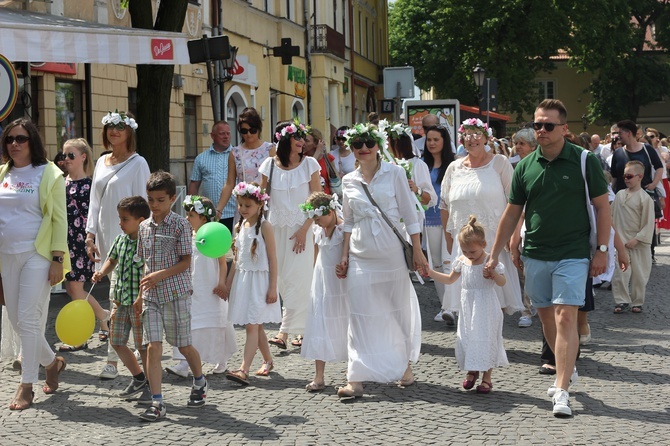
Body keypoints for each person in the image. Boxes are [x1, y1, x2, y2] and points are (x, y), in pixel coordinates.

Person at [486, 99, 611, 417]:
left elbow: (602, 206)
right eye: (537, 124)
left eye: (548, 125)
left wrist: (603, 249)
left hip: (573, 252)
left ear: (564, 129)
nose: (541, 130)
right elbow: (512, 212)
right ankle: (565, 367)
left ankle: (561, 389)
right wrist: (497, 251)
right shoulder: (524, 166)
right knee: (546, 319)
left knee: (566, 316)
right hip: (536, 254)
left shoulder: (583, 160)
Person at [335, 122, 429, 398]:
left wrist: (419, 249)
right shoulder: (348, 180)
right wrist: (344, 256)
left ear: (379, 145)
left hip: (390, 254)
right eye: (357, 144)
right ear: (352, 148)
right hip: (361, 256)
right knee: (359, 314)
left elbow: (410, 215)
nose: (363, 148)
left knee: (394, 310)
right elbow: (348, 221)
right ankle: (356, 377)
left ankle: (404, 366)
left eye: (369, 143)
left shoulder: (395, 173)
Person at [0, 118, 70, 410]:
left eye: (20, 139)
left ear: (33, 142)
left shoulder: (49, 173)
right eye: (9, 139)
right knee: (18, 322)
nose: (14, 144)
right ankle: (52, 363)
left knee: (28, 320)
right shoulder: (2, 172)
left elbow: (58, 219)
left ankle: (26, 385)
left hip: (37, 254)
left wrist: (57, 259)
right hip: (6, 255)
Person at [134, 171, 207, 421]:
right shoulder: (143, 226)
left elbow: (186, 262)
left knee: (183, 345)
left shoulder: (180, 225)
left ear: (173, 199)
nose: (154, 205)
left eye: (160, 200)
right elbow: (143, 264)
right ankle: (157, 403)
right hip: (151, 296)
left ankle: (199, 381)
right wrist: (139, 294)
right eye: (151, 200)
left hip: (176, 293)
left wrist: (160, 275)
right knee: (153, 347)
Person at [86, 110, 150, 380]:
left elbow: (145, 203)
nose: (114, 132)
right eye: (111, 127)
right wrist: (90, 235)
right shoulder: (101, 161)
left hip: (131, 239)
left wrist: (144, 239)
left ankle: (125, 356)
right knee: (115, 297)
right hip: (106, 234)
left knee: (130, 299)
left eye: (120, 127)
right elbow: (94, 200)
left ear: (129, 132)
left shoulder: (138, 163)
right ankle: (118, 355)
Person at [439, 118, 523, 316]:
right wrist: (449, 239)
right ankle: (469, 341)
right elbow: (444, 206)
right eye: (466, 134)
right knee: (465, 298)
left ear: (486, 137)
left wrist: (513, 237)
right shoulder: (454, 168)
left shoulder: (499, 163)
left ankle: (492, 342)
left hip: (494, 241)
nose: (471, 139)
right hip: (464, 243)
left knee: (494, 298)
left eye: (476, 134)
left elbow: (515, 202)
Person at [259, 120, 321, 349]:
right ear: (285, 140)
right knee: (281, 279)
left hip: (300, 230)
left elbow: (318, 199)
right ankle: (298, 329)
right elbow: (261, 199)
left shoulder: (310, 164)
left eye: (303, 138)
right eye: (298, 138)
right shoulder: (269, 165)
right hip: (275, 229)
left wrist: (306, 229)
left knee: (300, 279)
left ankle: (285, 332)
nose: (302, 143)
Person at [428, 216, 507, 394]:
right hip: (468, 306)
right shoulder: (462, 261)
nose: (468, 255)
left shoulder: (489, 261)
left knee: (486, 338)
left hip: (486, 307)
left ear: (483, 245)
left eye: (472, 252)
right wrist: (431, 272)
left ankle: (487, 377)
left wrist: (493, 273)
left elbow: (502, 282)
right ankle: (472, 369)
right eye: (465, 251)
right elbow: (449, 280)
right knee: (469, 337)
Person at [165, 195, 237, 377]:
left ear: (203, 218)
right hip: (192, 286)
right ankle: (183, 363)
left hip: (209, 286)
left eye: (191, 215)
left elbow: (222, 262)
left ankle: (220, 359)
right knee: (188, 322)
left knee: (213, 322)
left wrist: (221, 282)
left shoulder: (213, 236)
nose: (187, 218)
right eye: (187, 215)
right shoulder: (187, 236)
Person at [91, 196, 150, 402]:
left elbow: (147, 272)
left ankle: (151, 383)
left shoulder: (146, 243)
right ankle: (139, 377)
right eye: (120, 218)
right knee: (116, 342)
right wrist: (101, 272)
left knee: (143, 346)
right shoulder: (120, 240)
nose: (120, 223)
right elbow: (111, 260)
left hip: (138, 304)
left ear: (140, 221)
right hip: (120, 301)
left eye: (125, 219)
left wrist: (142, 298)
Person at [224, 182, 281, 385]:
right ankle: (268, 360)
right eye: (240, 205)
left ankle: (243, 369)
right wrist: (228, 285)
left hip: (259, 282)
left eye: (247, 205)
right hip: (243, 281)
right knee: (255, 325)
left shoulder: (265, 226)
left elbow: (273, 259)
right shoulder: (240, 226)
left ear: (259, 205)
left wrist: (273, 287)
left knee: (252, 326)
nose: (243, 209)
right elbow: (237, 261)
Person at [58, 138, 110, 352]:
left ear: (83, 157)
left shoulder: (90, 185)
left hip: (82, 243)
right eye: (64, 155)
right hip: (65, 242)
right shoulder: (61, 182)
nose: (66, 159)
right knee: (72, 289)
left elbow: (97, 215)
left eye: (71, 155)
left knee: (74, 287)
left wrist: (94, 239)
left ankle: (82, 333)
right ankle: (103, 317)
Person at [299, 192, 349, 392]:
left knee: (345, 324)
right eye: (314, 220)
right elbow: (317, 256)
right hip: (321, 285)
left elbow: (350, 255)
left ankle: (352, 373)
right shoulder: (318, 230)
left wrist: (346, 266)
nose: (317, 223)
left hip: (340, 287)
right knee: (319, 325)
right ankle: (319, 377)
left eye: (318, 219)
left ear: (330, 211)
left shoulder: (344, 230)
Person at [610, 120, 663, 263]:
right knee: (623, 225)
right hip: (623, 195)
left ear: (629, 133)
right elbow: (615, 175)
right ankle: (623, 253)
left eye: (620, 133)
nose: (617, 136)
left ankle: (647, 254)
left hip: (643, 193)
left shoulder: (647, 149)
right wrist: (611, 193)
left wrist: (653, 184)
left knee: (645, 222)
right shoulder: (618, 153)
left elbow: (659, 167)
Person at [421, 125, 456, 325]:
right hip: (430, 220)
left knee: (448, 262)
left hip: (450, 220)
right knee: (434, 265)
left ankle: (451, 306)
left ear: (444, 141)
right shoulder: (422, 165)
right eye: (429, 140)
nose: (432, 143)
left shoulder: (453, 165)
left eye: (436, 139)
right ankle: (445, 306)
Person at [216, 107, 276, 223]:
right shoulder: (235, 153)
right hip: (245, 206)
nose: (248, 134)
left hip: (268, 204)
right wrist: (219, 209)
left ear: (258, 129)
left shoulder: (270, 149)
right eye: (244, 131)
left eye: (252, 130)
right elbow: (229, 183)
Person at [611, 161, 655, 314]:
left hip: (638, 243)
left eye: (629, 176)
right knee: (621, 273)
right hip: (621, 242)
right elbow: (612, 217)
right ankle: (621, 300)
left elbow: (649, 223)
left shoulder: (645, 199)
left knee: (640, 274)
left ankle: (637, 301)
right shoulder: (619, 195)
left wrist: (638, 239)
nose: (626, 179)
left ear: (640, 177)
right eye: (624, 176)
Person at [509, 129, 539, 329]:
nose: (517, 147)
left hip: (537, 225)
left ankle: (534, 305)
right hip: (521, 225)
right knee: (523, 272)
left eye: (522, 143)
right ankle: (526, 308)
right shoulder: (513, 167)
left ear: (533, 146)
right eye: (516, 143)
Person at [189, 121, 236, 232]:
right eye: (222, 134)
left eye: (228, 133)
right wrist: (191, 207)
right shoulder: (201, 158)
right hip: (209, 214)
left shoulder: (237, 155)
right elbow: (194, 184)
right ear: (212, 136)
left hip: (233, 213)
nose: (226, 137)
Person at [645, 127, 670, 231]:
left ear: (657, 138)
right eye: (648, 136)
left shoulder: (662, 149)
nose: (650, 138)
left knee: (664, 205)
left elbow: (664, 158)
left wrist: (658, 147)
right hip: (651, 179)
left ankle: (660, 229)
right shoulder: (644, 148)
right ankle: (655, 230)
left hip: (662, 178)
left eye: (652, 136)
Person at [304, 127, 337, 195]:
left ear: (316, 143)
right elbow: (307, 172)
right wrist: (317, 152)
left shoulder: (328, 158)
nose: (303, 143)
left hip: (327, 197)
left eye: (307, 141)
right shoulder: (302, 158)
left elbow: (334, 176)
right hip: (309, 197)